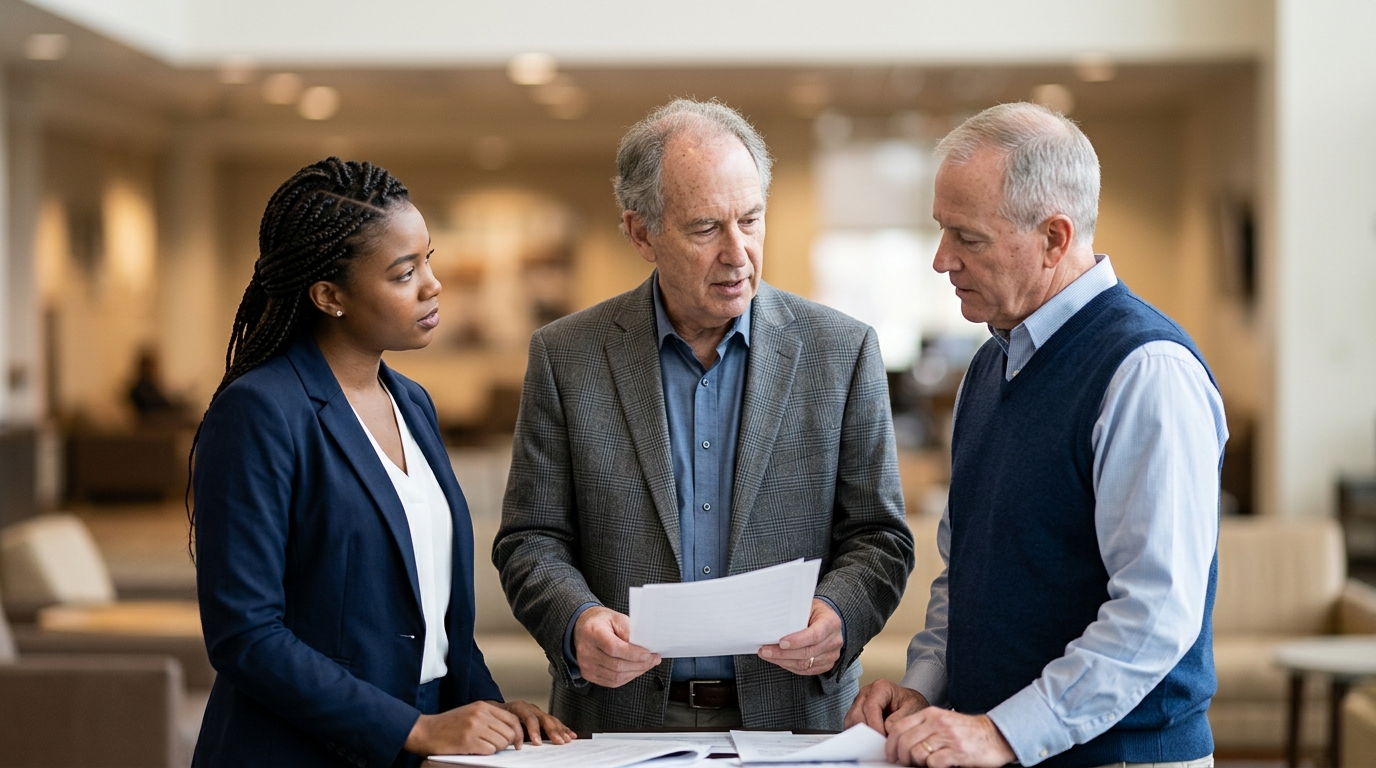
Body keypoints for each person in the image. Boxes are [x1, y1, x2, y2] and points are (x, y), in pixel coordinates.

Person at [494, 99, 915, 732]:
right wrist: (577, 621)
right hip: (619, 724)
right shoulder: (565, 355)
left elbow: (880, 536)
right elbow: (531, 540)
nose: (738, 252)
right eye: (704, 228)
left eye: (751, 220)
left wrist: (838, 615)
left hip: (795, 722)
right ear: (641, 234)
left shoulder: (843, 350)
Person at [844, 102, 1226, 768]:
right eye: (942, 231)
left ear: (1054, 237)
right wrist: (924, 688)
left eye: (967, 237)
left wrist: (1003, 731)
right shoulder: (989, 365)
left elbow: (1155, 616)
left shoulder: (1146, 371)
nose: (941, 260)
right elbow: (964, 577)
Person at [190, 158, 573, 767]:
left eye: (428, 259)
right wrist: (412, 729)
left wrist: (492, 711)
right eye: (403, 273)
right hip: (294, 751)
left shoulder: (413, 403)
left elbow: (437, 623)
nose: (432, 284)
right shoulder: (260, 411)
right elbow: (246, 636)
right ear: (329, 296)